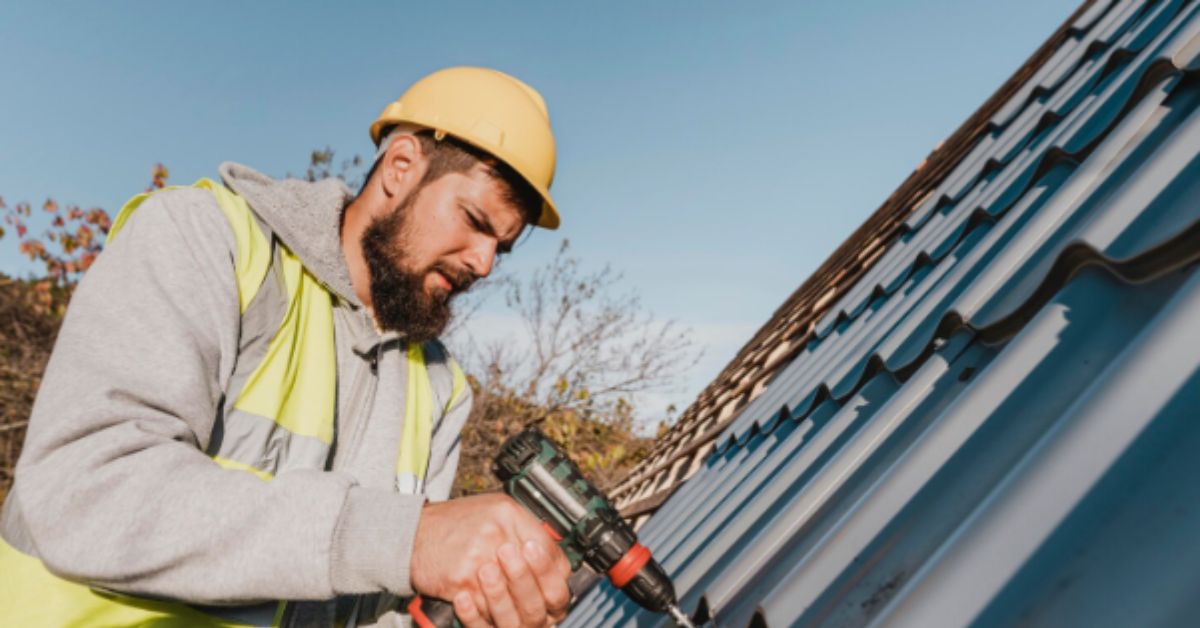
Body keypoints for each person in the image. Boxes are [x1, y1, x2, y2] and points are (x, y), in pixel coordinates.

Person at [0, 66, 571, 627]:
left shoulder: (441, 388)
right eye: (473, 220)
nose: (484, 263)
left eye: (502, 246)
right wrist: (405, 538)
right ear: (400, 167)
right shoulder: (207, 241)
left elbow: (384, 611)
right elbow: (84, 493)